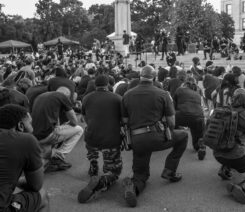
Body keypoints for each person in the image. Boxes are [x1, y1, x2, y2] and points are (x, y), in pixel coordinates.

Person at [121, 65, 188, 207]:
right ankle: (170, 170)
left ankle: (134, 187)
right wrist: (166, 132)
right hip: (157, 137)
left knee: (140, 174)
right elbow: (172, 121)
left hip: (137, 139)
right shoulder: (163, 94)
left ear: (140, 77)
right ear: (154, 78)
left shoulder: (127, 94)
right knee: (183, 136)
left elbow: (125, 121)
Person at [211, 89, 245, 204]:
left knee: (229, 144)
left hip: (217, 154)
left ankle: (225, 167)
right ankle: (240, 187)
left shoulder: (221, 111)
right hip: (237, 156)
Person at [77, 75, 123, 203]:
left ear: (95, 85)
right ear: (108, 84)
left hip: (92, 137)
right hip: (111, 139)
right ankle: (102, 181)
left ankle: (93, 166)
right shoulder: (117, 98)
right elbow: (124, 119)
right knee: (114, 170)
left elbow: (84, 118)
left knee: (92, 150)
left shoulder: (86, 98)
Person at [0, 104, 49, 212]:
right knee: (42, 195)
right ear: (21, 126)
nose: (32, 127)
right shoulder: (26, 140)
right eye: (30, 123)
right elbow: (36, 185)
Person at [32, 87, 83, 172]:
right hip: (47, 135)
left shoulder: (41, 96)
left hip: (34, 134)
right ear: (67, 96)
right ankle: (58, 156)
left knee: (42, 159)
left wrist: (59, 126)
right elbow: (74, 121)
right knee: (79, 129)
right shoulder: (62, 97)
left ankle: (48, 157)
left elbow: (54, 119)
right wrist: (67, 124)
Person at [173, 77, 206, 160]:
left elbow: (173, 106)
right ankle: (200, 147)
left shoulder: (179, 90)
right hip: (198, 117)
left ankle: (175, 142)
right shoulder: (197, 94)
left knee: (173, 121)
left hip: (181, 116)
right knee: (198, 135)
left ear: (185, 83)